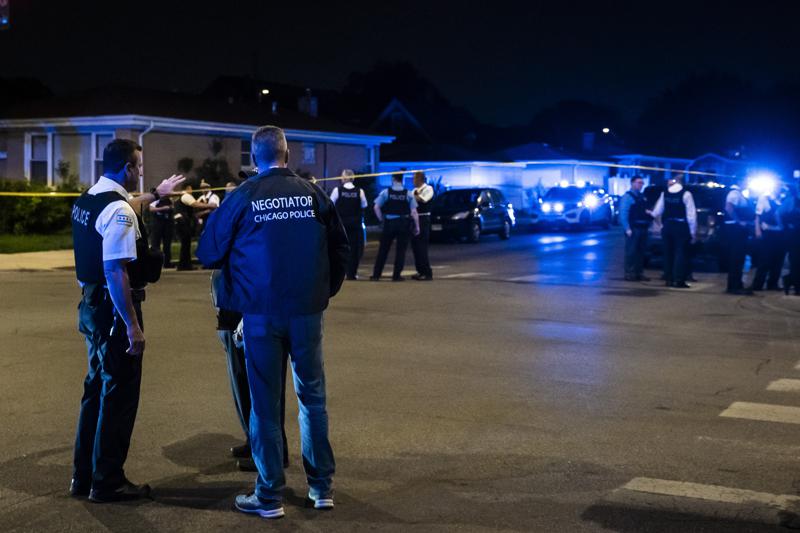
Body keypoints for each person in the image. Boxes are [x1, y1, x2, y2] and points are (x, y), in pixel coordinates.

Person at [197, 125, 349, 519]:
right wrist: (322, 292)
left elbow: (209, 251)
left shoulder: (243, 196)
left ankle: (268, 496)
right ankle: (321, 487)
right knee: (312, 398)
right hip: (306, 312)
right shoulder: (313, 193)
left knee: (264, 406)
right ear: (288, 152)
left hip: (261, 313)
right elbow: (340, 247)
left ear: (253, 156)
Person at [70, 138, 184, 502]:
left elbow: (125, 206)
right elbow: (115, 269)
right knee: (118, 394)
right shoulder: (117, 210)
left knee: (95, 390)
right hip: (112, 310)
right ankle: (108, 480)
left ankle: (83, 476)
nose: (140, 171)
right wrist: (132, 325)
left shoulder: (88, 200)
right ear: (126, 167)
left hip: (90, 305)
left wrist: (156, 194)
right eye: (138, 165)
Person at [210, 271, 290, 472]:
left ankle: (271, 452)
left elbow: (210, 252)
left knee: (260, 387)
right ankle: (255, 440)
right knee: (241, 382)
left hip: (250, 307)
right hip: (236, 304)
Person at [370, 173, 421, 281]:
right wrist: (417, 227)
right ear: (402, 180)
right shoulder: (408, 193)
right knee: (401, 251)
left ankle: (376, 275)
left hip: (389, 223)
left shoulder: (386, 192)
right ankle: (396, 275)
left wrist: (381, 219)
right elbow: (414, 212)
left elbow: (376, 207)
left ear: (393, 179)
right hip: (403, 223)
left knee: (383, 250)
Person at [649, 175, 697, 288]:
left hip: (668, 226)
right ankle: (679, 279)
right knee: (680, 253)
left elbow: (657, 211)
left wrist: (651, 215)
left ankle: (668, 279)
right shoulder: (686, 194)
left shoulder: (665, 193)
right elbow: (691, 215)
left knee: (668, 253)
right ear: (683, 183)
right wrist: (693, 232)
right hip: (681, 226)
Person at [330, 169, 367, 280]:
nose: (341, 178)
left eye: (342, 176)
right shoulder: (359, 191)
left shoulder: (337, 190)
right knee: (355, 249)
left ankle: (340, 273)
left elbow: (330, 204)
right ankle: (352, 273)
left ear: (345, 178)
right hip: (355, 225)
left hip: (341, 225)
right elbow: (364, 205)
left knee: (340, 248)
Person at [750, 188, 785, 291]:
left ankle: (773, 284)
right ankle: (758, 284)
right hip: (768, 233)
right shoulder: (764, 198)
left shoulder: (783, 199)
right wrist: (757, 230)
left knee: (778, 260)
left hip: (780, 234)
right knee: (764, 259)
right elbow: (758, 216)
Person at [723, 182, 755, 294]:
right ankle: (733, 286)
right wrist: (738, 221)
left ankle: (737, 284)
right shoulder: (734, 193)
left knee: (739, 258)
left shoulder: (739, 194)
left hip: (737, 230)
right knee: (736, 258)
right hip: (735, 229)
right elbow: (729, 207)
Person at [619, 175, 651, 281]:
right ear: (632, 183)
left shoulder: (642, 197)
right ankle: (629, 273)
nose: (640, 185)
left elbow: (645, 210)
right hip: (633, 228)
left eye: (642, 183)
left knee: (641, 252)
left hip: (643, 228)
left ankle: (639, 272)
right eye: (638, 182)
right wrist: (627, 228)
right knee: (631, 252)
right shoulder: (627, 197)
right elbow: (623, 214)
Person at [410, 171, 434, 281]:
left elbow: (423, 199)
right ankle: (419, 270)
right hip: (414, 218)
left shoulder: (428, 189)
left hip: (423, 218)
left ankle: (427, 272)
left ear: (420, 179)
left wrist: (413, 197)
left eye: (414, 178)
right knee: (415, 246)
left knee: (422, 246)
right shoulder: (414, 191)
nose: (413, 181)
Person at [780, 184, 800, 295]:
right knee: (796, 260)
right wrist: (784, 227)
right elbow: (778, 214)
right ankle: (796, 286)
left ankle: (789, 280)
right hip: (794, 236)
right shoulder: (791, 201)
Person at [148, 195, 174, 268]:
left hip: (168, 223)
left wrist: (170, 207)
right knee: (155, 244)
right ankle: (155, 264)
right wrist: (163, 208)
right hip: (157, 223)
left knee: (167, 244)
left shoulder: (169, 199)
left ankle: (167, 263)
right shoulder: (156, 200)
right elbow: (151, 209)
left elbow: (173, 207)